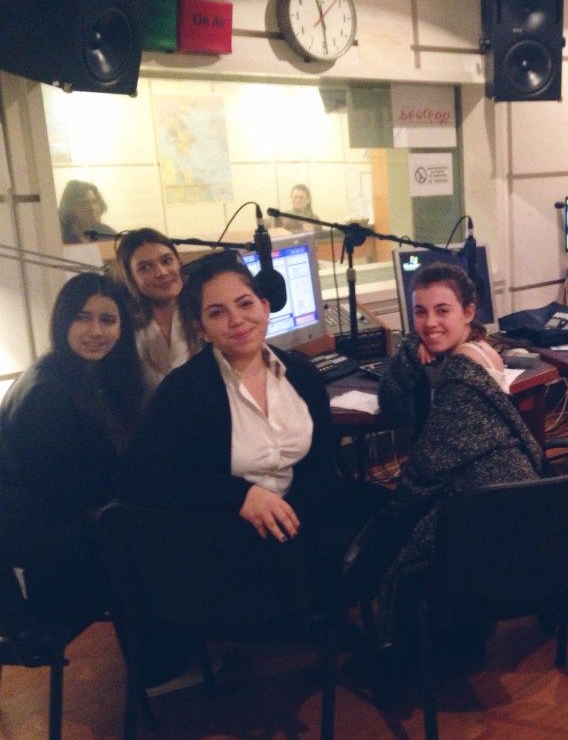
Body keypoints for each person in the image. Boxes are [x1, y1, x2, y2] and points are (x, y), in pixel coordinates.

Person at [118, 255, 381, 599]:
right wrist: (239, 495)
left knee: (402, 519)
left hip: (296, 515)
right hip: (228, 534)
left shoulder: (302, 374)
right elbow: (138, 478)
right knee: (363, 557)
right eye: (217, 313)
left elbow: (319, 467)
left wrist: (299, 518)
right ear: (200, 328)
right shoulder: (183, 389)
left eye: (245, 303)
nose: (237, 320)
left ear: (265, 307)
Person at [371, 262, 546, 647]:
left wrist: (384, 525)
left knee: (391, 544)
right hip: (503, 500)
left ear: (468, 311)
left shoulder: (463, 373)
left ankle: (406, 653)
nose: (430, 322)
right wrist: (413, 348)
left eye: (442, 310)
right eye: (420, 312)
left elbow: (428, 466)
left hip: (483, 515)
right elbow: (392, 402)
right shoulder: (479, 349)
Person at [0, 273, 145, 626]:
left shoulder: (78, 375)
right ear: (63, 320)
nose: (95, 331)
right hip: (58, 553)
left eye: (107, 320)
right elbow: (64, 494)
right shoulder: (46, 393)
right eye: (82, 317)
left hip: (71, 534)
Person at [115, 228, 193, 394]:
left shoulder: (202, 311)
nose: (161, 273)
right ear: (130, 277)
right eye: (145, 268)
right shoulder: (123, 326)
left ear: (179, 262)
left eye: (167, 261)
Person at [59, 180, 117, 245]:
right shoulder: (60, 238)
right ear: (70, 208)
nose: (92, 207)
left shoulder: (106, 233)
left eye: (94, 202)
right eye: (84, 203)